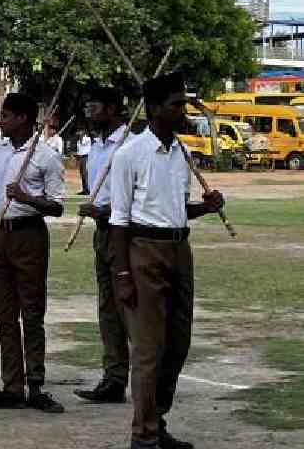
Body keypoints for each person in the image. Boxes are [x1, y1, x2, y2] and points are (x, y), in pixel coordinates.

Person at [109, 72, 224, 449]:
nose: (182, 111)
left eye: (183, 103)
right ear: (155, 109)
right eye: (176, 104)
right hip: (143, 252)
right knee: (148, 349)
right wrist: (123, 273)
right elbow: (120, 220)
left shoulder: (181, 153)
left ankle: (156, 423)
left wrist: (204, 209)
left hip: (180, 250)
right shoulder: (129, 155)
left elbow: (173, 209)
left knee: (178, 344)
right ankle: (142, 437)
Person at [0, 93, 66, 414]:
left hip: (29, 236)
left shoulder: (45, 156)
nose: (0, 121)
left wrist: (27, 198)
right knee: (4, 316)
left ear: (24, 119)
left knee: (31, 313)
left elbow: (56, 206)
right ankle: (11, 385)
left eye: (6, 116)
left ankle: (36, 385)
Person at [74, 88, 132, 404]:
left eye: (92, 105)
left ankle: (150, 379)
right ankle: (114, 378)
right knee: (108, 309)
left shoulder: (131, 145)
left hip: (126, 235)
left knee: (130, 308)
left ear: (111, 108)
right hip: (103, 234)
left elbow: (138, 200)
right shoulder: (97, 146)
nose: (88, 111)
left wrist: (106, 211)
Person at [75, 128, 92, 195]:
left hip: (86, 157)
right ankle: (84, 189)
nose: (79, 133)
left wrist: (81, 135)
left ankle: (88, 189)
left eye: (80, 131)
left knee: (85, 174)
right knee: (82, 174)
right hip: (81, 157)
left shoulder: (87, 138)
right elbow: (80, 150)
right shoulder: (78, 141)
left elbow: (83, 142)